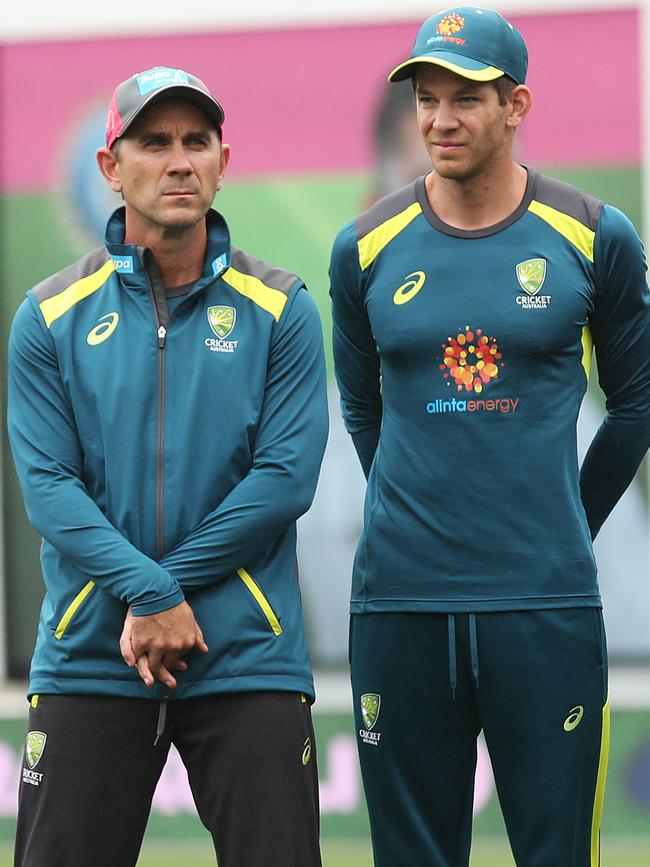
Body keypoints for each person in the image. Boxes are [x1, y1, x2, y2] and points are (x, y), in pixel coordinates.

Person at [329, 7, 650, 867]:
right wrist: (412, 504)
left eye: (465, 99)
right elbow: (365, 409)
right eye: (428, 99)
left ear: (516, 106)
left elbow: (636, 405)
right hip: (400, 603)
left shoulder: (595, 235)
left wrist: (562, 519)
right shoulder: (364, 246)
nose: (439, 120)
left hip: (543, 603)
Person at [8, 65, 328, 867]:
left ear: (224, 160)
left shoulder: (281, 307)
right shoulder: (47, 317)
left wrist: (163, 590)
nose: (179, 160)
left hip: (245, 656)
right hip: (91, 655)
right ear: (112, 168)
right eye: (154, 142)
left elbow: (284, 479)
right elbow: (50, 489)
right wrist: (150, 592)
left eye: (197, 141)